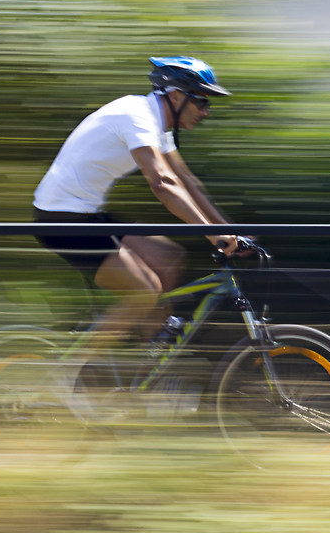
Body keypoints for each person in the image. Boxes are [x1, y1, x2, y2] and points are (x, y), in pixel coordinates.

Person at [32, 56, 241, 348]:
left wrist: (231, 230)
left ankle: (150, 357)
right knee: (144, 292)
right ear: (176, 95)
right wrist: (214, 235)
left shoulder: (157, 123)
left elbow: (186, 181)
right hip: (62, 220)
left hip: (87, 215)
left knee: (169, 258)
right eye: (201, 101)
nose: (205, 111)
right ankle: (72, 369)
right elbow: (163, 184)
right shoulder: (137, 116)